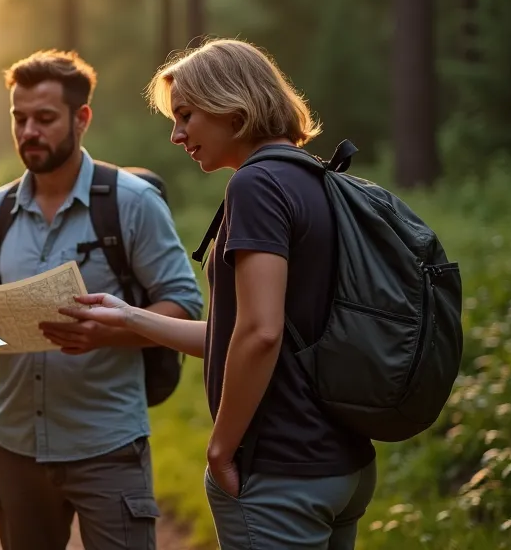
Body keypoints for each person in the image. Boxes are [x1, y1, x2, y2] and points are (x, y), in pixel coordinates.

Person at [64, 38, 378, 549]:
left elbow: (260, 333)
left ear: (233, 106)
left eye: (186, 114)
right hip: (342, 464)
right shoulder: (314, 178)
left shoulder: (255, 186)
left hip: (280, 466)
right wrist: (131, 318)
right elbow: (245, 331)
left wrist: (222, 448)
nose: (175, 134)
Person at [0, 50, 203, 550]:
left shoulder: (131, 202)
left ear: (81, 118)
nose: (28, 132)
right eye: (19, 119)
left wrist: (114, 329)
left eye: (44, 119)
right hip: (14, 447)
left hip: (107, 446)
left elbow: (184, 303)